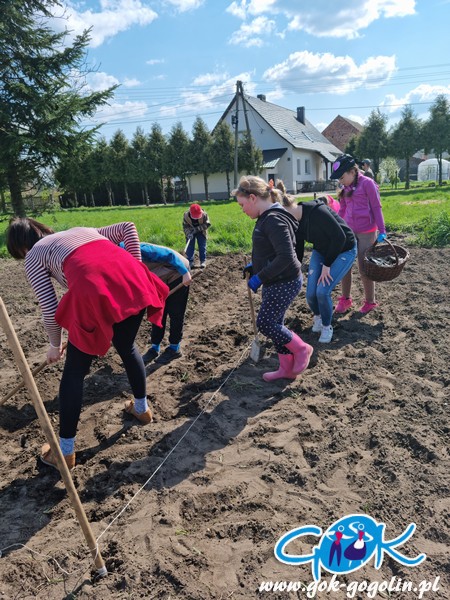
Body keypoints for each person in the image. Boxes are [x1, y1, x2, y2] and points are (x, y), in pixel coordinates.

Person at [6, 219, 169, 470]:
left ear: (22, 249)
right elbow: (129, 227)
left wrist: (54, 343)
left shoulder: (34, 255)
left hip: (95, 292)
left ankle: (65, 452)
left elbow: (50, 310)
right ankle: (142, 409)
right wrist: (135, 264)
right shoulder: (81, 230)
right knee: (127, 347)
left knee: (74, 371)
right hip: (133, 279)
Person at [234, 176, 313, 382]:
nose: (242, 210)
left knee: (266, 323)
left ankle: (302, 348)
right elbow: (270, 250)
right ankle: (286, 369)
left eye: (242, 205)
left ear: (252, 198)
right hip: (275, 279)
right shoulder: (267, 217)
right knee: (277, 324)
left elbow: (286, 256)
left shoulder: (274, 220)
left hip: (284, 280)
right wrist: (256, 267)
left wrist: (261, 276)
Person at [277, 182, 357, 344]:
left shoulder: (317, 212)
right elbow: (298, 252)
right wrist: (294, 271)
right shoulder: (294, 224)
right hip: (322, 250)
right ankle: (319, 317)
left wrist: (327, 266)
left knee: (322, 291)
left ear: (285, 209)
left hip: (344, 249)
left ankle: (328, 326)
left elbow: (339, 238)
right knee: (311, 295)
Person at [330, 154, 387, 314]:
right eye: (338, 179)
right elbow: (342, 209)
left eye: (342, 177)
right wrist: (338, 226)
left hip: (366, 231)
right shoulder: (345, 187)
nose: (340, 181)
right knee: (344, 265)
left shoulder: (367, 184)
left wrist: (382, 230)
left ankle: (370, 301)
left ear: (352, 171)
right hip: (349, 230)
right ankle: (345, 299)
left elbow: (376, 207)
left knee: (364, 267)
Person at [136, 242, 192, 365]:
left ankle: (174, 348)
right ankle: (155, 347)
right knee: (158, 311)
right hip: (159, 278)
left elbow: (169, 255)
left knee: (175, 312)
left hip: (178, 273)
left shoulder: (138, 249)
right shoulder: (115, 259)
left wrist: (185, 273)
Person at [183, 203, 211, 269]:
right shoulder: (186, 216)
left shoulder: (204, 215)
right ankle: (190, 262)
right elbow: (185, 226)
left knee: (202, 246)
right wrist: (188, 233)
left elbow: (207, 224)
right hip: (190, 232)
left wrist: (196, 229)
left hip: (201, 232)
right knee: (190, 247)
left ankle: (202, 261)